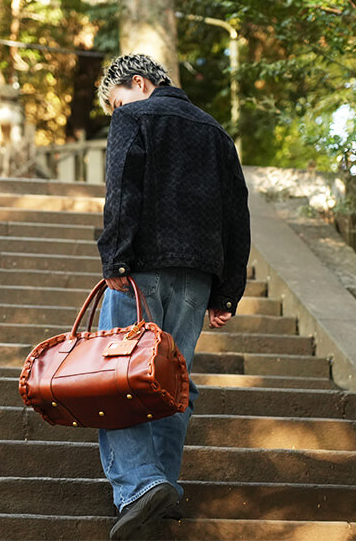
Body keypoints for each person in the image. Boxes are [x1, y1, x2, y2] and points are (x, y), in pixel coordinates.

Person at [95, 54, 251, 540]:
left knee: (114, 374)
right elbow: (236, 214)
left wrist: (115, 258)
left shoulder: (135, 117)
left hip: (141, 270)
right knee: (170, 380)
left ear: (139, 83)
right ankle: (162, 488)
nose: (117, 110)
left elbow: (122, 189)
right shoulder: (214, 131)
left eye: (117, 100)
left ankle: (141, 485)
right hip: (196, 277)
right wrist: (227, 292)